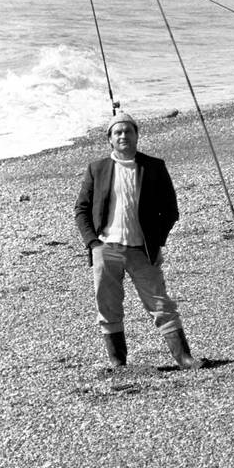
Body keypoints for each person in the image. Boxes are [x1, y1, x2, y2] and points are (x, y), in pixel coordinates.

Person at [74, 112, 203, 370]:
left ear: (136, 135)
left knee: (160, 304)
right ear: (109, 139)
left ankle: (184, 358)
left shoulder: (154, 167)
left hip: (142, 250)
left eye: (128, 131)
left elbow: (170, 211)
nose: (123, 136)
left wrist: (155, 242)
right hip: (106, 248)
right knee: (108, 306)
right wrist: (93, 244)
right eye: (117, 132)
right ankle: (118, 362)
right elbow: (82, 209)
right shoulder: (96, 169)